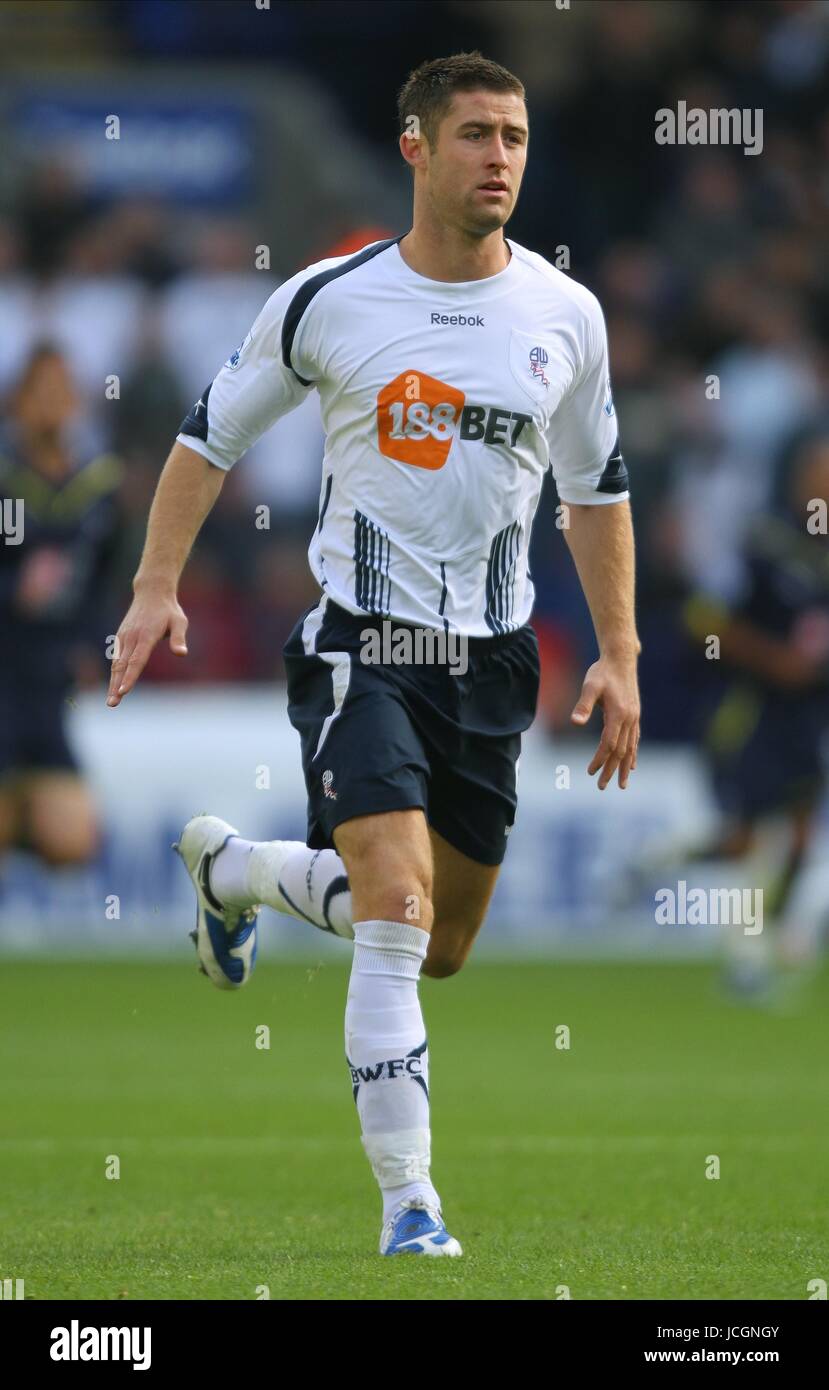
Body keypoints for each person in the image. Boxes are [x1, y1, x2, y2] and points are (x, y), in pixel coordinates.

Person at [106, 52, 640, 1258]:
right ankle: (412, 1206)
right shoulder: (326, 299)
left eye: (512, 135)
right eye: (474, 135)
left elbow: (596, 490)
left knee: (438, 943)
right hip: (362, 646)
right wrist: (153, 587)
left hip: (496, 664)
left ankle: (237, 871)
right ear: (414, 147)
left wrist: (620, 650)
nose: (499, 156)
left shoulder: (566, 313)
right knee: (398, 906)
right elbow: (207, 439)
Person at [0, 344, 124, 868]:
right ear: (19, 402)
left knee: (75, 840)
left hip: (52, 685)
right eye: (41, 390)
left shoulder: (100, 489)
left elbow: (105, 586)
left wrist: (95, 650)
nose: (53, 402)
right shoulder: (7, 483)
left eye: (61, 390)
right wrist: (13, 590)